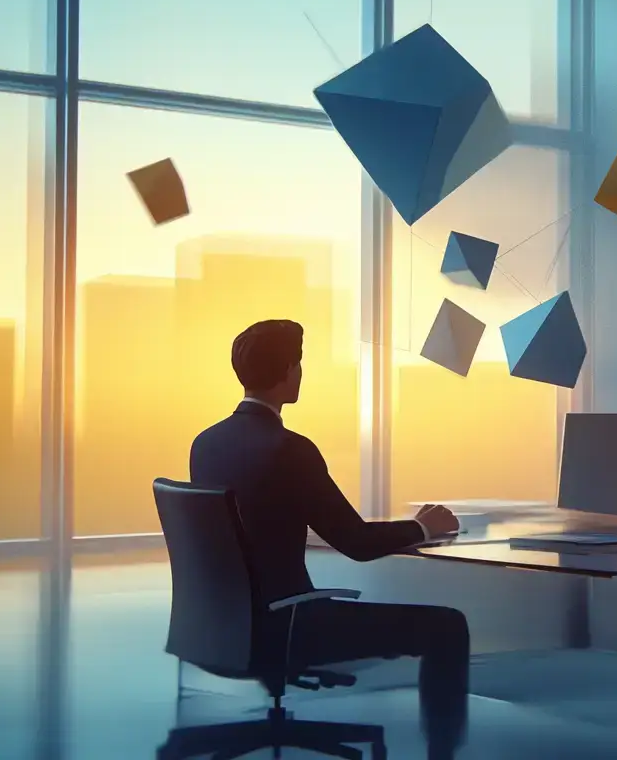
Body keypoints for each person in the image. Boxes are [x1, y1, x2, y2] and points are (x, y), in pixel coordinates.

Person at [190, 319, 468, 758]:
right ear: (288, 370)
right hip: (289, 626)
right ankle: (444, 752)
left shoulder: (205, 444)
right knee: (447, 625)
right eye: (298, 364)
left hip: (220, 628)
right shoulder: (290, 449)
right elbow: (355, 542)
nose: (300, 372)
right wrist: (424, 527)